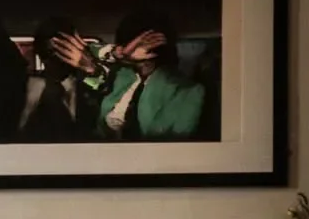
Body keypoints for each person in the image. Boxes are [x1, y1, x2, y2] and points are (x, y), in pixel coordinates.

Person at [49, 12, 208, 142]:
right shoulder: (124, 77)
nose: (128, 49)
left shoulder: (188, 91)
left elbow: (168, 142)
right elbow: (98, 71)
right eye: (127, 44)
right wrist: (113, 56)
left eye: (136, 43)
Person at [16, 17, 96, 143]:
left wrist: (90, 70)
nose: (55, 60)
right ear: (38, 52)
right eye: (48, 52)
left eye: (63, 52)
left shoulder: (90, 87)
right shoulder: (22, 88)